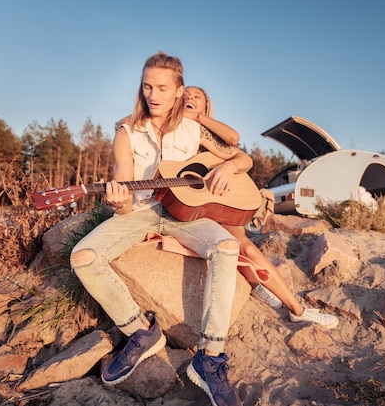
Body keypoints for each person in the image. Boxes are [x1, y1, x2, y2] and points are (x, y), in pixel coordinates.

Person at [70, 51, 246, 406]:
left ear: (179, 91)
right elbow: (122, 181)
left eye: (163, 88)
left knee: (227, 247)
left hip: (187, 211)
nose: (153, 95)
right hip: (144, 208)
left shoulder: (195, 129)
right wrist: (118, 200)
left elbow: (239, 153)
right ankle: (140, 330)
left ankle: (209, 358)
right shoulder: (126, 131)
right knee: (83, 257)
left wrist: (233, 168)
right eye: (148, 86)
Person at [183, 86, 338, 328]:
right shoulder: (172, 131)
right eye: (185, 95)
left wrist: (228, 166)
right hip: (188, 207)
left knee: (248, 248)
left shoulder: (205, 136)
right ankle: (256, 284)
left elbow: (241, 153)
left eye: (196, 97)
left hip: (213, 204)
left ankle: (297, 308)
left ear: (206, 107)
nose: (189, 98)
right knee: (235, 248)